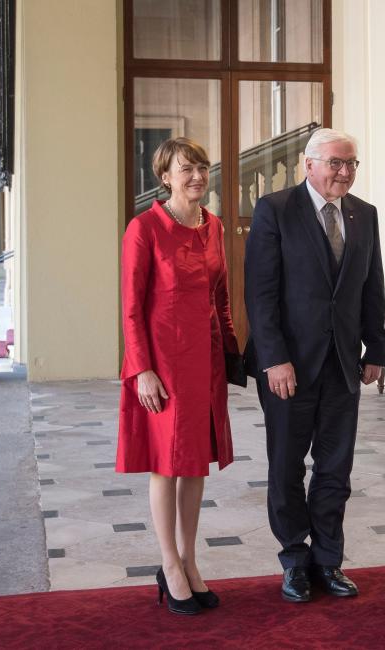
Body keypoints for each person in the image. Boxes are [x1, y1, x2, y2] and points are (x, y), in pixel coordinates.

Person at [244, 128, 385, 603]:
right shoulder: (276, 210)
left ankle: (328, 561)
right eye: (335, 163)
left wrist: (374, 350)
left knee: (334, 469)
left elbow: (372, 288)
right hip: (290, 367)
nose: (344, 172)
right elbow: (260, 295)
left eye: (351, 163)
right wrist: (274, 360)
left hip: (343, 365)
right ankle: (293, 560)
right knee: (287, 467)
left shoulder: (363, 215)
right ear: (309, 165)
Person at [116, 137, 239, 615]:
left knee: (195, 463)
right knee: (166, 463)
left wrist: (231, 351)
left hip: (204, 361)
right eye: (186, 169)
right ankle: (168, 564)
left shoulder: (214, 226)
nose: (197, 177)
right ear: (164, 177)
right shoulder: (144, 228)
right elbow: (130, 308)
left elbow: (221, 296)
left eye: (202, 168)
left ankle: (189, 560)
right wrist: (141, 369)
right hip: (162, 366)